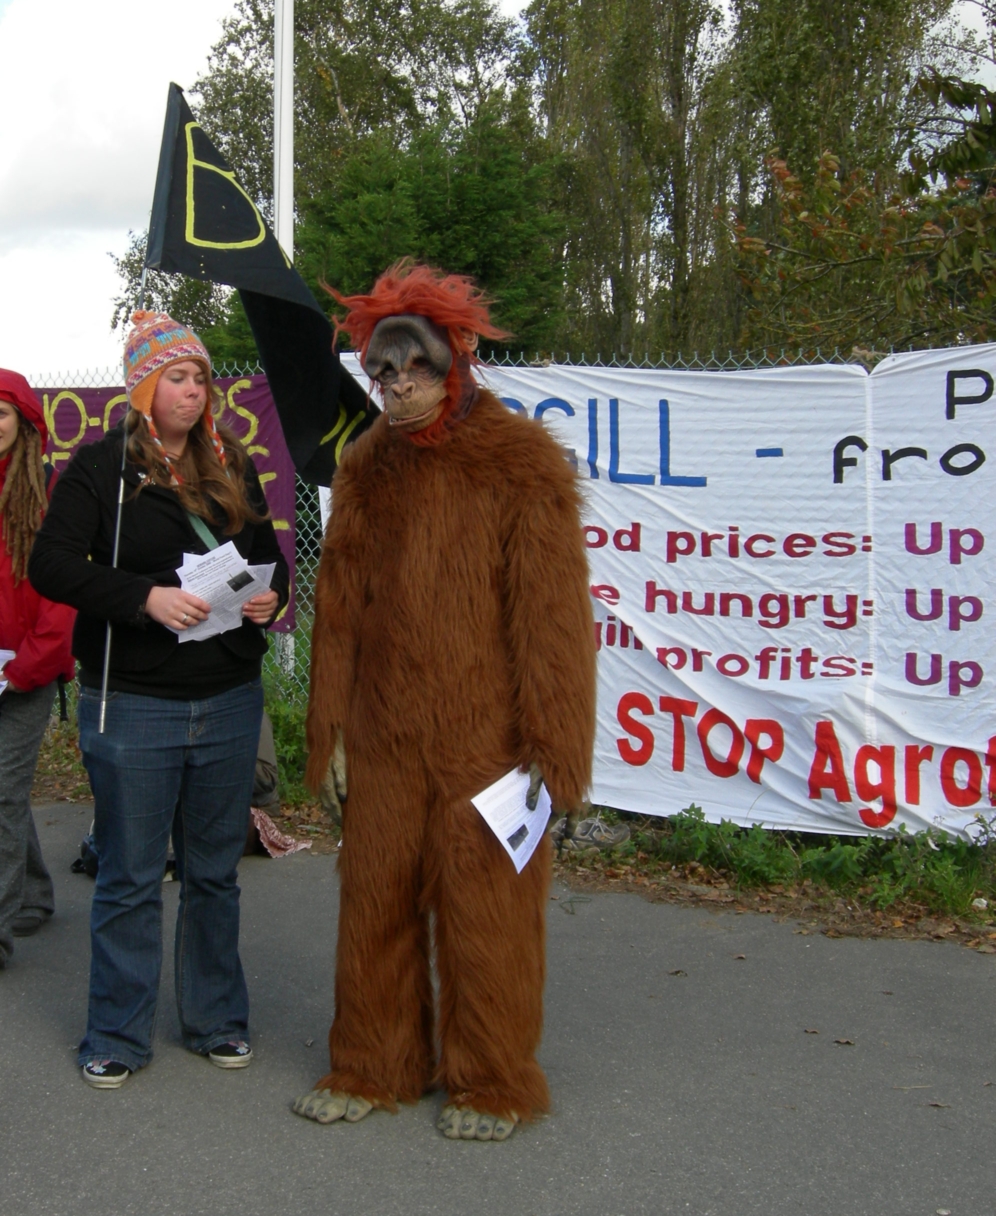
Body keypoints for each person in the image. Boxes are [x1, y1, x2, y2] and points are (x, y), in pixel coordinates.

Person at [29, 311, 289, 1087]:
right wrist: (143, 598)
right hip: (134, 701)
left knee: (213, 873)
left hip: (228, 696)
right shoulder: (97, 469)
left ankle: (215, 1021)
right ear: (144, 387)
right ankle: (115, 1032)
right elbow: (51, 565)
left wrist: (266, 603)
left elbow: (270, 555)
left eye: (200, 378)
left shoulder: (229, 462)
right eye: (177, 377)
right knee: (132, 875)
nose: (192, 391)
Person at [0, 370, 75, 970]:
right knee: (3, 794)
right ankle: (34, 893)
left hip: (27, 672)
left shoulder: (47, 491)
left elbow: (62, 597)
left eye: (0, 414)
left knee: (0, 791)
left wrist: (26, 668)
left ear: (25, 424)